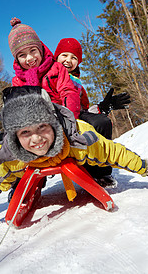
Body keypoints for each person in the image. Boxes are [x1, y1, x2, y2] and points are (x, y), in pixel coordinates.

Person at [0, 85, 148, 235]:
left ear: (53, 124)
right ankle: (19, 187)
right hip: (27, 166)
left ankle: (97, 174)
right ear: (15, 136)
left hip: (71, 153)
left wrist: (146, 168)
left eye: (42, 127)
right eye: (25, 132)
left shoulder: (77, 138)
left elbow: (114, 152)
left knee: (97, 153)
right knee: (7, 179)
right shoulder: (10, 157)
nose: (36, 138)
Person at [54, 38, 131, 186]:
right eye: (64, 55)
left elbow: (84, 109)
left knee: (102, 122)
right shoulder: (49, 75)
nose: (68, 60)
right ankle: (20, 185)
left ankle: (99, 172)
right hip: (54, 118)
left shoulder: (77, 84)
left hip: (76, 116)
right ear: (56, 56)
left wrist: (102, 108)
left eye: (74, 57)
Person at [8, 18, 81, 119]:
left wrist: (69, 119)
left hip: (61, 115)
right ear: (17, 59)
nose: (29, 58)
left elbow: (68, 92)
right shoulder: (17, 81)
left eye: (33, 50)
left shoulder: (56, 68)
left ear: (40, 50)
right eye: (22, 55)